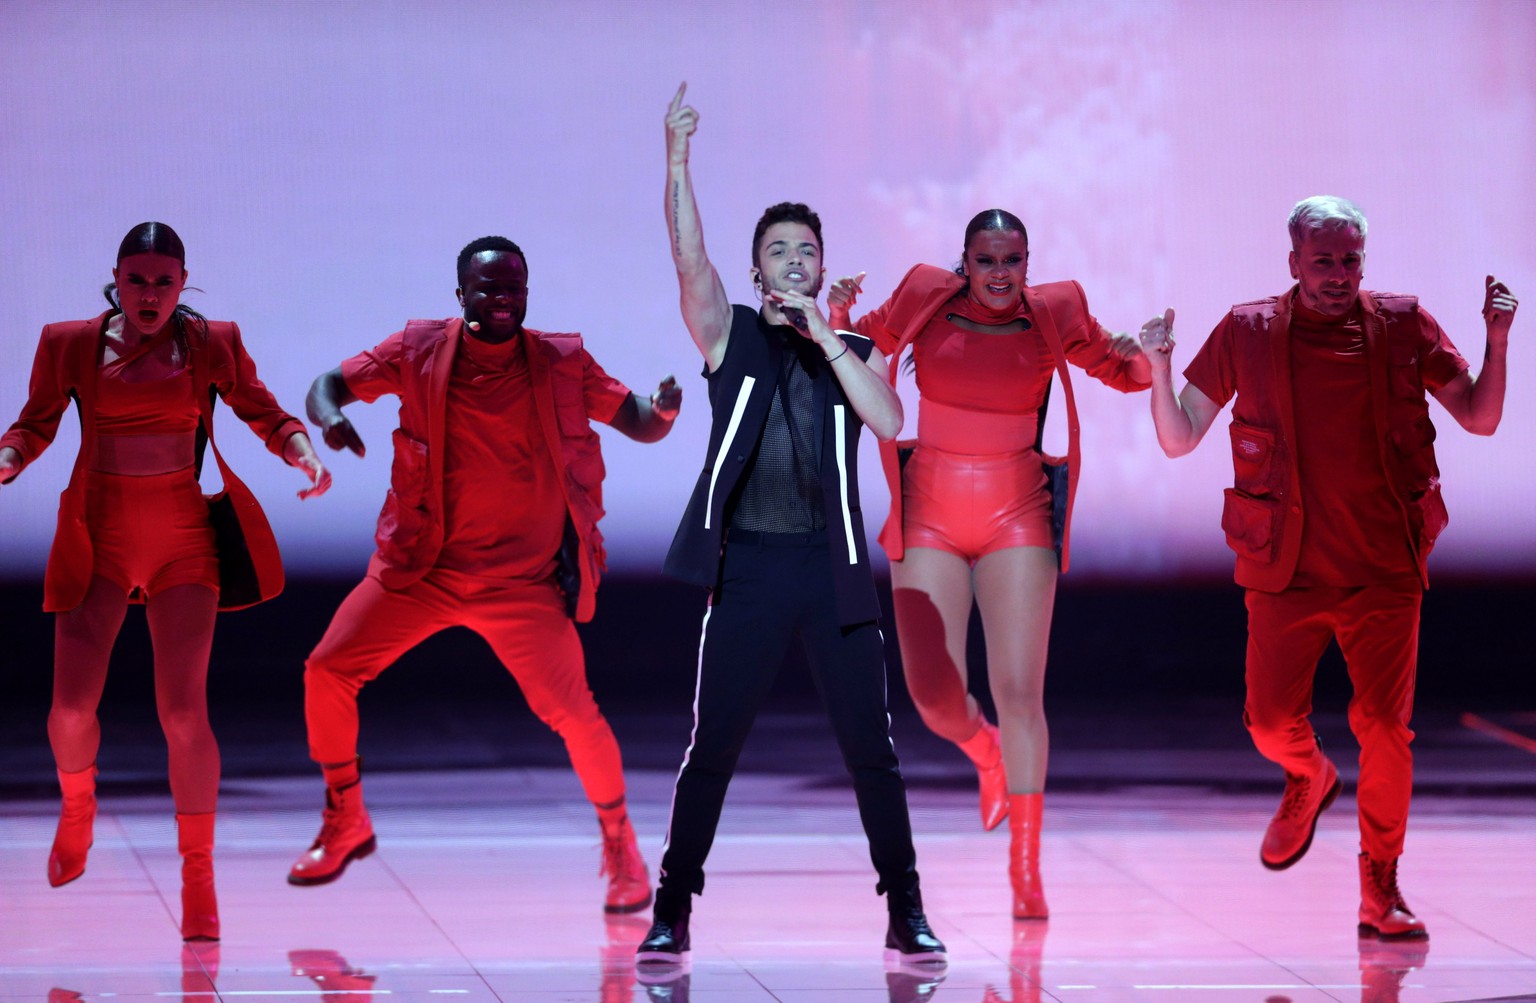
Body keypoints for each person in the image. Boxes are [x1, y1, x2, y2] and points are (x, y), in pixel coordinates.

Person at [1138, 196, 1516, 940]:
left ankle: (1381, 882)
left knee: (1383, 725)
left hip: (1384, 567)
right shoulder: (1247, 330)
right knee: (1272, 722)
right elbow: (1180, 436)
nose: (1339, 275)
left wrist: (1496, 339)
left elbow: (1480, 415)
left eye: (1350, 260)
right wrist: (1156, 365)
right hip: (1288, 569)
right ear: (1293, 262)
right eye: (1324, 261)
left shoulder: (1403, 322)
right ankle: (1308, 774)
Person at [637, 83, 945, 968]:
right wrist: (678, 160)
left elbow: (888, 421)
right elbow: (688, 255)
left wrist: (829, 333)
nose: (793, 261)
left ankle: (907, 907)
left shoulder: (851, 348)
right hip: (751, 572)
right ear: (758, 268)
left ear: (820, 265)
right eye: (777, 252)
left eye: (805, 251)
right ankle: (673, 905)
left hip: (833, 569)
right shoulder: (729, 333)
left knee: (871, 750)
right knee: (713, 747)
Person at [287, 235, 680, 915]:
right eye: (488, 289)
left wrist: (664, 410)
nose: (502, 301)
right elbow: (327, 384)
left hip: (520, 584)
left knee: (574, 711)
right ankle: (345, 814)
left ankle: (621, 844)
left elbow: (638, 422)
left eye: (513, 290)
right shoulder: (417, 349)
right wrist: (330, 418)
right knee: (328, 668)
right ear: (461, 292)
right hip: (421, 568)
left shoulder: (560, 360)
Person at [0, 221, 330, 941]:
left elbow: (263, 411)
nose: (150, 293)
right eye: (137, 279)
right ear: (116, 278)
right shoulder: (70, 343)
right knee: (67, 712)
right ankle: (79, 808)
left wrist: (302, 454)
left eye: (164, 281)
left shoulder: (211, 341)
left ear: (183, 284)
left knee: (183, 713)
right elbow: (35, 423)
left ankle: (198, 876)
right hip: (101, 537)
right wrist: (8, 458)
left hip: (183, 541)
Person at [828, 209, 1156, 919]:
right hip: (930, 511)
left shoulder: (1057, 309)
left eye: (1013, 259)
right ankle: (984, 753)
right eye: (987, 260)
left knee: (1019, 691)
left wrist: (1147, 355)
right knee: (934, 695)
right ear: (965, 261)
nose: (1001, 273)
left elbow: (1120, 371)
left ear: (1027, 261)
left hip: (1017, 510)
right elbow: (861, 349)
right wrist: (841, 314)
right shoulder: (923, 291)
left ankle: (1027, 867)